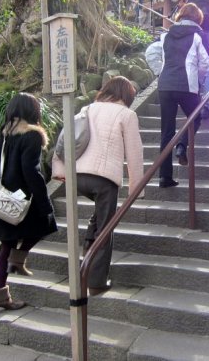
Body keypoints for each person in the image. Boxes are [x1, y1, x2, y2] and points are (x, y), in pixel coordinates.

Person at [51, 76, 144, 296]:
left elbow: (68, 137)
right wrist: (135, 189)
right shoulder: (127, 115)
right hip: (103, 179)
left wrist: (59, 170)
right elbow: (135, 154)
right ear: (127, 96)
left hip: (76, 175)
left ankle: (87, 255)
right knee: (106, 227)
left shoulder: (89, 108)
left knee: (99, 218)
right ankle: (96, 281)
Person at [0, 92, 58, 314]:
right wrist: (44, 202)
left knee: (6, 245)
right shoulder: (32, 136)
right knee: (46, 223)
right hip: (19, 198)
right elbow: (31, 171)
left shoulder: (5, 134)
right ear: (32, 111)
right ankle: (17, 260)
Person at [158, 3, 209, 188]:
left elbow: (151, 53)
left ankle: (164, 177)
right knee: (195, 117)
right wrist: (197, 78)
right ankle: (182, 145)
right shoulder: (198, 35)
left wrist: (161, 72)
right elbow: (206, 63)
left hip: (165, 86)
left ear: (180, 15)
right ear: (198, 18)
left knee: (166, 130)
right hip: (187, 85)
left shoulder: (166, 34)